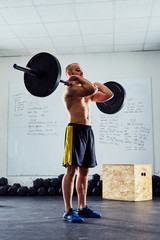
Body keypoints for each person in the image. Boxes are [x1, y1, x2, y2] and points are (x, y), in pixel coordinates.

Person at [62, 63, 114, 223]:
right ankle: (68, 211)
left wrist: (100, 85)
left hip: (87, 131)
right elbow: (90, 89)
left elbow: (108, 95)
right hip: (75, 130)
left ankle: (82, 208)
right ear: (70, 73)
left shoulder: (87, 92)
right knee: (72, 170)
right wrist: (77, 79)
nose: (81, 71)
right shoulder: (70, 90)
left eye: (81, 69)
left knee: (84, 172)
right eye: (77, 70)